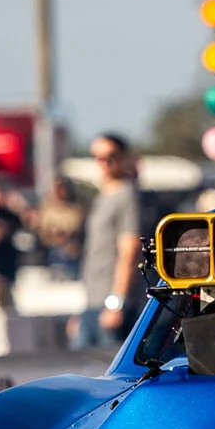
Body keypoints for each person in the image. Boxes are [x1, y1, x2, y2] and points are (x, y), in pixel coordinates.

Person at [73, 133, 142, 351]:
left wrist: (116, 303)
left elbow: (129, 250)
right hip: (93, 302)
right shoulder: (102, 197)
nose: (105, 163)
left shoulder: (126, 195)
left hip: (112, 304)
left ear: (123, 157)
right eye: (98, 157)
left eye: (111, 156)